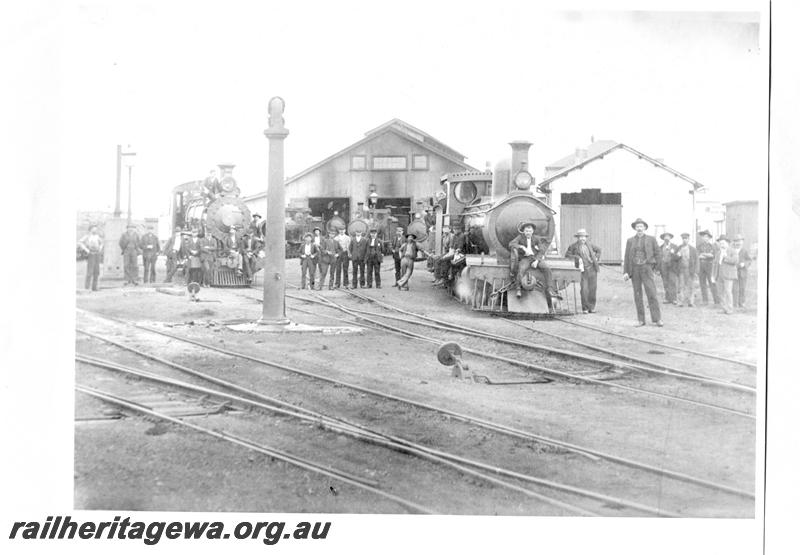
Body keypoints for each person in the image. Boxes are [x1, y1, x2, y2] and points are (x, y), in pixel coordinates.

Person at [622, 218, 663, 326]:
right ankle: (641, 320)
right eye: (637, 226)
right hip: (635, 270)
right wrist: (626, 272)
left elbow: (658, 254)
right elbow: (626, 257)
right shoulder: (630, 240)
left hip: (647, 268)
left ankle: (657, 319)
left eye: (641, 226)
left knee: (652, 293)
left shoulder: (651, 239)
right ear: (635, 228)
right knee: (637, 295)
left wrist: (656, 268)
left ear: (644, 228)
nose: (639, 228)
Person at [508, 221, 557, 300]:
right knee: (521, 269)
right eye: (526, 231)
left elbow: (541, 250)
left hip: (535, 258)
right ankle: (518, 288)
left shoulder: (536, 238)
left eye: (530, 231)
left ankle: (549, 289)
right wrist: (521, 247)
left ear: (532, 231)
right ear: (524, 231)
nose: (528, 233)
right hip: (525, 258)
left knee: (547, 268)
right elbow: (511, 244)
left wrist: (537, 260)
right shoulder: (520, 237)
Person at [564, 228, 601, 313]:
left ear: (586, 237)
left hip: (592, 269)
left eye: (584, 237)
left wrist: (596, 257)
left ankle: (591, 307)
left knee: (592, 289)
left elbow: (599, 250)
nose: (582, 239)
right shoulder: (573, 246)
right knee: (584, 289)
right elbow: (567, 255)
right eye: (580, 237)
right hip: (582, 270)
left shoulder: (590, 245)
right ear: (577, 238)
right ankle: (585, 308)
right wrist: (577, 258)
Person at [711, 235, 739, 315]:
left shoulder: (732, 251)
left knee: (728, 292)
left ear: (727, 243)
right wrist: (713, 275)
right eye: (720, 243)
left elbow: (735, 261)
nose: (721, 245)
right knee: (720, 292)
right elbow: (715, 264)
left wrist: (726, 257)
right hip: (719, 275)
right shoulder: (718, 252)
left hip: (728, 275)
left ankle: (729, 309)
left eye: (723, 243)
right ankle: (724, 308)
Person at [696, 229, 720, 305]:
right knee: (702, 283)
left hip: (710, 266)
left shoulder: (712, 246)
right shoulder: (699, 246)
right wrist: (707, 255)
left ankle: (716, 300)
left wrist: (704, 255)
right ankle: (705, 300)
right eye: (703, 237)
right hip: (701, 266)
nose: (705, 238)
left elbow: (713, 255)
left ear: (709, 238)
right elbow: (698, 255)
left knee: (712, 283)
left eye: (707, 237)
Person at [675, 232, 698, 307]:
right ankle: (680, 302)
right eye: (683, 239)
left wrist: (696, 271)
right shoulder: (678, 248)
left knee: (690, 286)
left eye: (686, 239)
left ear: (688, 239)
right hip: (681, 270)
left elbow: (696, 260)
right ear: (682, 239)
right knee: (681, 286)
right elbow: (674, 259)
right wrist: (678, 256)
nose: (685, 240)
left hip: (690, 270)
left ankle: (691, 302)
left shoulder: (693, 249)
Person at [78, 225, 103, 291]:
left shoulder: (98, 236)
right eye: (93, 229)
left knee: (96, 271)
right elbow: (80, 242)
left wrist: (100, 248)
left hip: (97, 254)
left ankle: (94, 287)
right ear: (90, 230)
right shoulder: (87, 236)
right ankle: (87, 288)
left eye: (96, 229)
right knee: (90, 271)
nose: (95, 230)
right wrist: (87, 250)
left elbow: (102, 243)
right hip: (91, 254)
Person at [658, 232, 679, 304]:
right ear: (663, 239)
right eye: (665, 237)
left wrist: (673, 253)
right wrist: (658, 269)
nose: (666, 238)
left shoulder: (675, 247)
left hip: (672, 267)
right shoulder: (660, 247)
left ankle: (674, 299)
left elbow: (678, 257)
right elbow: (658, 258)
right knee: (665, 282)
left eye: (668, 237)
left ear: (670, 238)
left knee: (672, 281)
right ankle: (667, 298)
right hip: (663, 267)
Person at [731, 234, 751, 308]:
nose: (738, 243)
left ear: (742, 242)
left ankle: (742, 302)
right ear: (734, 242)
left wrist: (744, 264)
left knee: (742, 288)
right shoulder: (731, 250)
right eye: (736, 241)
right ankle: (734, 303)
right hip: (734, 271)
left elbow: (749, 260)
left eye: (739, 241)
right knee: (734, 288)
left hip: (742, 272)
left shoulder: (744, 251)